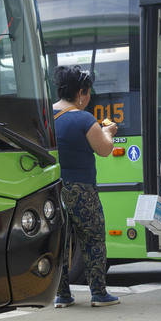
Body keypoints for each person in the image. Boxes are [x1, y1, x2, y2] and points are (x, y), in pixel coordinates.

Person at [51, 65, 120, 308]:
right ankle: (98, 293)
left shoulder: (47, 116)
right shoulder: (83, 118)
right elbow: (104, 149)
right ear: (81, 92)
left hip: (54, 189)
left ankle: (62, 294)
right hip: (82, 190)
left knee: (61, 240)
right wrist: (108, 132)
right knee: (92, 237)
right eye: (88, 93)